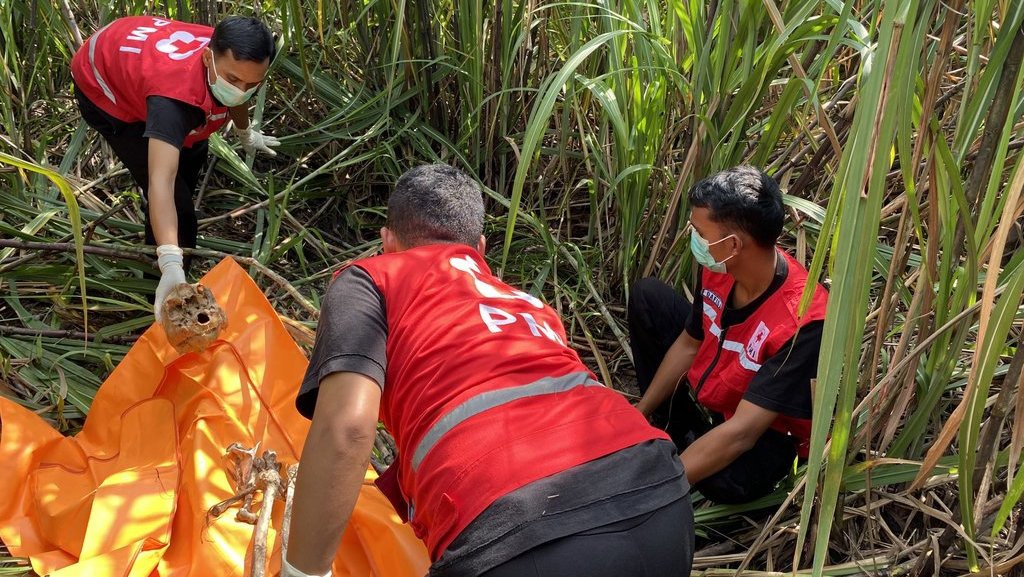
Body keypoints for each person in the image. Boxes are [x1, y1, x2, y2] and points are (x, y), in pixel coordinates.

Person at [285, 165, 694, 577]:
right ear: (479, 248)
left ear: (387, 241)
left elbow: (348, 429)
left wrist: (300, 572)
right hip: (660, 498)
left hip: (518, 533)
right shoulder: (529, 306)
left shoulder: (372, 278)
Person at [628, 165, 828, 504]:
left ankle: (685, 455)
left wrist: (655, 486)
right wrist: (639, 413)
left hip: (766, 428)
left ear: (733, 244)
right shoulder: (719, 268)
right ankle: (675, 429)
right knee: (648, 297)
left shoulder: (803, 322)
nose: (693, 238)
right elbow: (690, 343)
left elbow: (743, 432)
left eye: (699, 231)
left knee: (726, 481)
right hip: (722, 387)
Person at [70, 15, 280, 319]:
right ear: (208, 59)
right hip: (102, 83)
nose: (241, 89)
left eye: (253, 84)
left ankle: (162, 234)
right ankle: (165, 292)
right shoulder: (173, 102)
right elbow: (161, 181)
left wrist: (246, 131)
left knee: (192, 154)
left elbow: (237, 91)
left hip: (142, 58)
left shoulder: (230, 54)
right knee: (178, 207)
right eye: (233, 81)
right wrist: (170, 259)